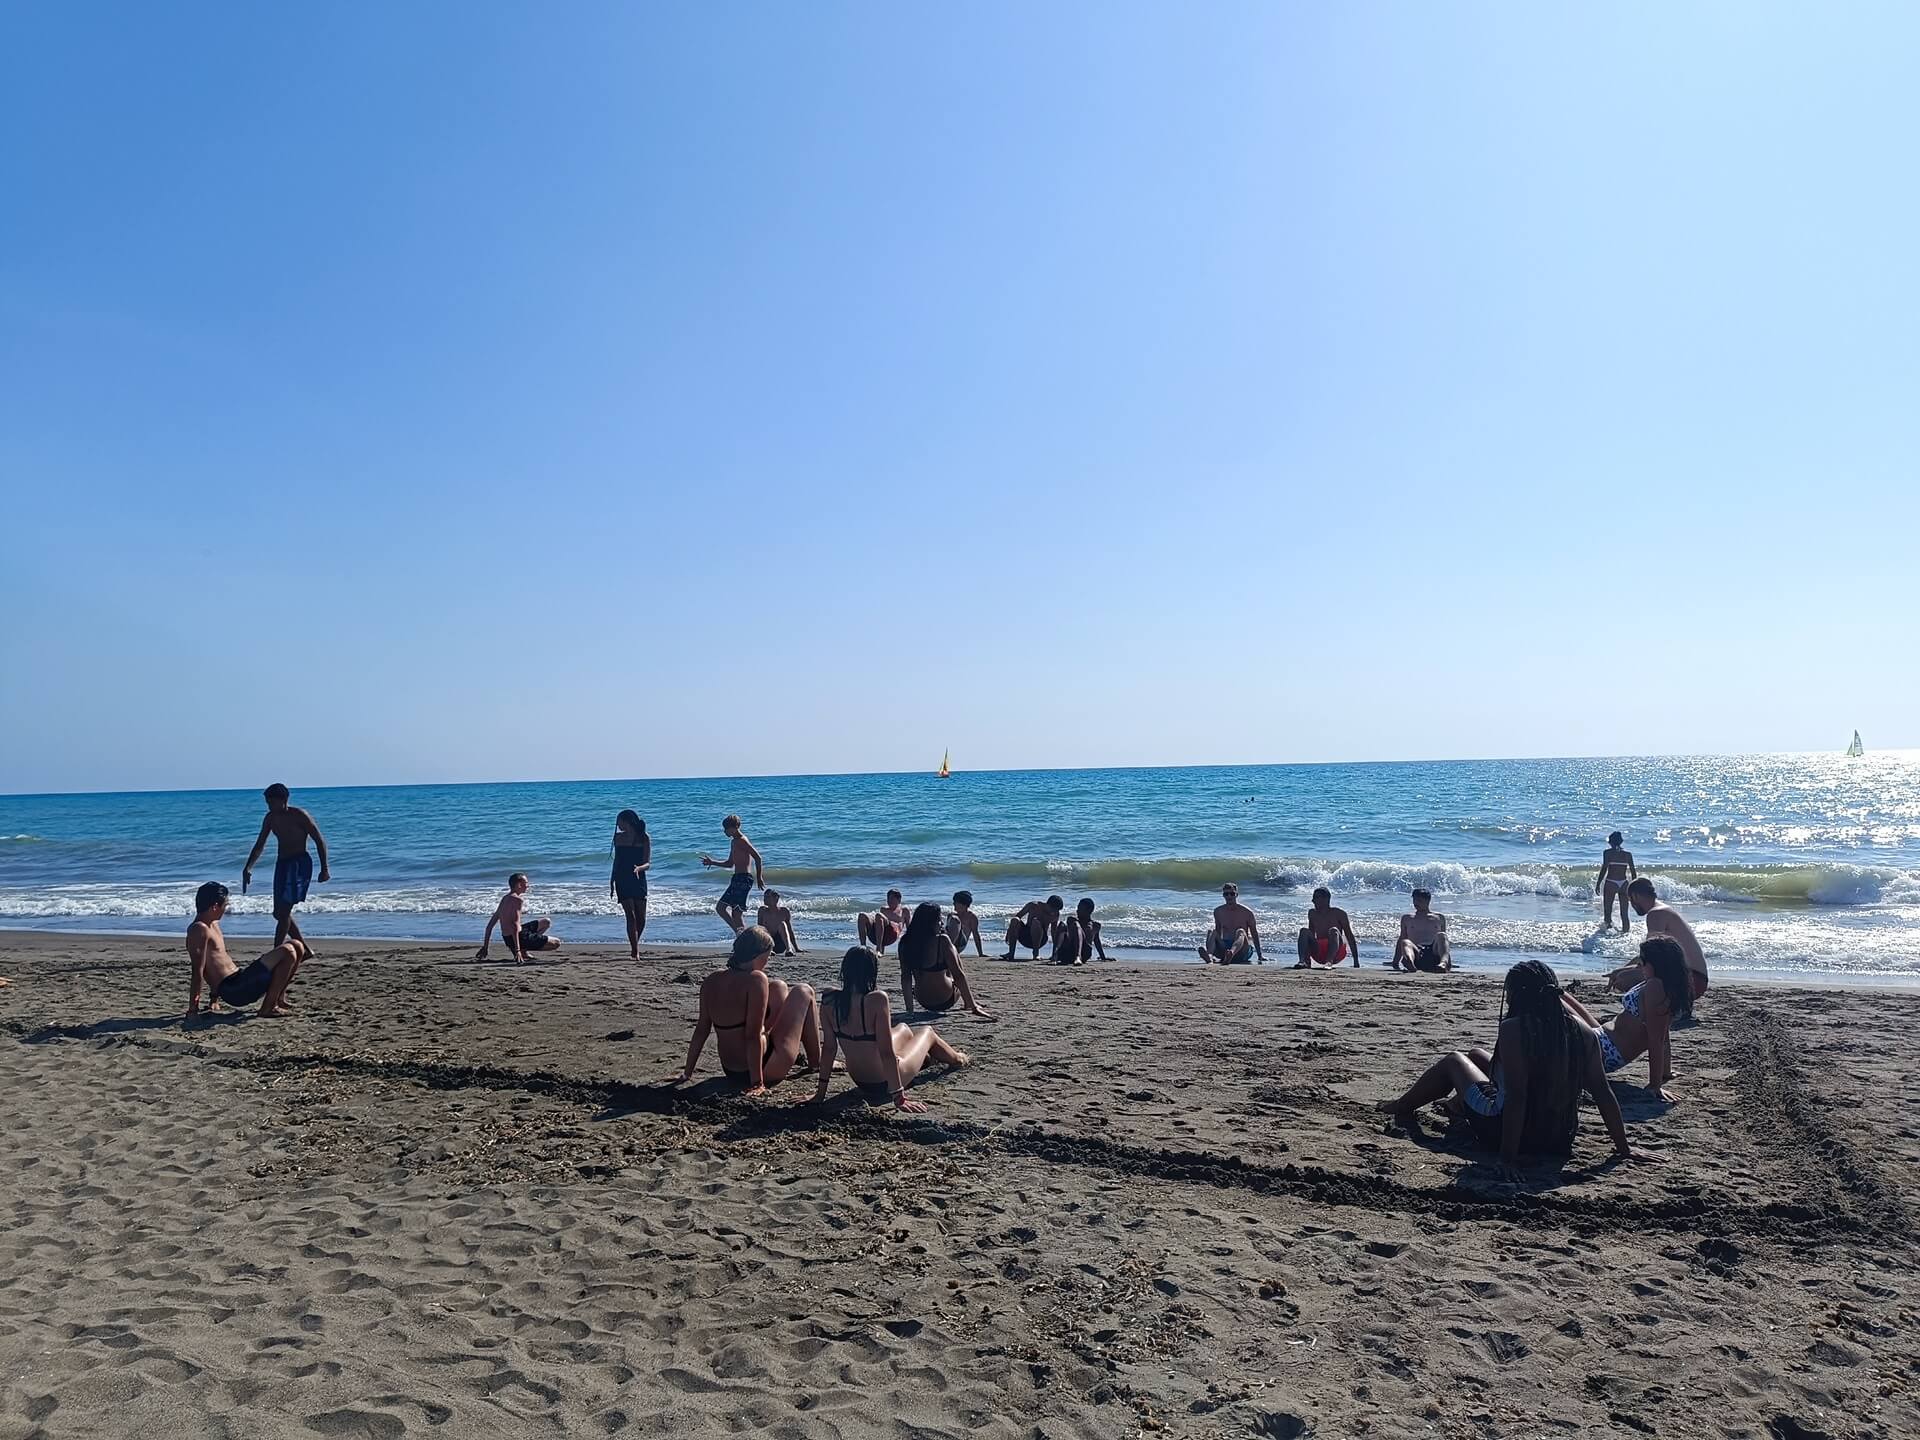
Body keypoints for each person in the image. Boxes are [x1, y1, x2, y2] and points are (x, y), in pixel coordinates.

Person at [1377, 958, 1634, 1177]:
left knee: (1454, 1060)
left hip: (1503, 1131)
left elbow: (1517, 1097)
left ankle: (1401, 1106)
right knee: (1476, 1056)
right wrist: (1624, 1149)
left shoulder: (1515, 1029)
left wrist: (1507, 1159)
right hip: (1557, 1138)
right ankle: (1456, 1106)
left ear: (1518, 994)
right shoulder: (1583, 1031)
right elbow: (1603, 1092)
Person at [811, 946, 971, 1111]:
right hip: (885, 1082)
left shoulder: (830, 999)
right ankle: (958, 1059)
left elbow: (829, 1049)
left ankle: (925, 1059)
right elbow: (886, 1053)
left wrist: (820, 1094)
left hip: (859, 1079)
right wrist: (899, 1098)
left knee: (903, 1028)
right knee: (927, 1032)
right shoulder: (877, 999)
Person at [670, 926, 820, 1094]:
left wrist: (687, 1073)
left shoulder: (711, 980)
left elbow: (701, 1030)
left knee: (779, 987)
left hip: (731, 1070)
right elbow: (752, 1036)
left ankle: (780, 1046)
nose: (766, 963)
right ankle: (816, 1063)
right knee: (804, 991)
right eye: (767, 957)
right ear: (758, 955)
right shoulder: (756, 979)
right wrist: (757, 1083)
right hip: (763, 1066)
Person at [1560, 936, 1689, 1102]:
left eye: (1643, 961)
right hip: (1602, 1038)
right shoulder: (1657, 983)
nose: (1640, 965)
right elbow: (1664, 1034)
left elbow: (1657, 1039)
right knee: (1560, 994)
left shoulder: (1656, 987)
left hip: (1603, 1051)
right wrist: (1666, 1071)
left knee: (1552, 997)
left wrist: (1655, 1085)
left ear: (1657, 963)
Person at [186, 881, 308, 1019]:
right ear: (214, 906)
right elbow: (198, 971)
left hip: (240, 979)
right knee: (287, 951)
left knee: (297, 945)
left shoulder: (213, 924)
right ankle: (268, 1008)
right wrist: (193, 1010)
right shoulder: (199, 930)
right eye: (225, 905)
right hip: (234, 990)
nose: (225, 909)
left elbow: (214, 962)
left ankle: (278, 998)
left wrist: (213, 999)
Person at [242, 783, 330, 950]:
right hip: (282, 864)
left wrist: (324, 869)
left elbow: (319, 841)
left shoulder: (300, 815)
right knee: (278, 913)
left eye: (272, 802)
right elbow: (260, 844)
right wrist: (248, 867)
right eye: (267, 803)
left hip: (299, 864)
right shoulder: (270, 818)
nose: (269, 806)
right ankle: (305, 950)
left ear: (284, 800)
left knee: (283, 913)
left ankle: (276, 951)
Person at [1616, 879, 1709, 1013]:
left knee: (1624, 979)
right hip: (1695, 978)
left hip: (1691, 981)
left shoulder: (1655, 914)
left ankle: (1668, 1005)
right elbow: (1648, 957)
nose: (1631, 905)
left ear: (1635, 896)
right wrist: (1624, 968)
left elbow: (1650, 958)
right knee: (1627, 974)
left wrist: (1622, 972)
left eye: (1630, 900)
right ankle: (1675, 1004)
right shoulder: (1663, 909)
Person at [897, 902, 994, 1017]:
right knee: (953, 950)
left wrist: (910, 1011)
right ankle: (968, 1003)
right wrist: (974, 1007)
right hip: (946, 999)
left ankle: (910, 1009)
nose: (942, 924)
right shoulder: (942, 940)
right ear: (931, 923)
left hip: (923, 1000)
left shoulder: (905, 942)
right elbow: (958, 975)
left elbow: (906, 978)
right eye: (939, 920)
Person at [699, 814, 764, 934]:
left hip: (744, 879)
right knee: (726, 910)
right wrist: (712, 862)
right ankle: (741, 936)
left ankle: (741, 936)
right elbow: (730, 864)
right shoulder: (734, 842)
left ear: (735, 828)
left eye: (726, 829)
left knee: (732, 912)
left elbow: (757, 857)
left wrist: (759, 877)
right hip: (737, 878)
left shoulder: (742, 840)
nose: (724, 832)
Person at [478, 873, 559, 963]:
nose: (528, 886)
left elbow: (489, 926)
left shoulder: (505, 898)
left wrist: (485, 947)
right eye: (526, 883)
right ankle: (523, 949)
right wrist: (518, 950)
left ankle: (524, 948)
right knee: (556, 943)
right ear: (519, 885)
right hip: (519, 937)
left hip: (508, 939)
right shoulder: (517, 900)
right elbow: (515, 925)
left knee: (546, 921)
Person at [610, 810, 651, 959]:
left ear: (627, 821)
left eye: (619, 822)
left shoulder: (643, 837)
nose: (617, 825)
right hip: (622, 878)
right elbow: (616, 861)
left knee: (642, 919)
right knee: (631, 916)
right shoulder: (618, 838)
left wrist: (639, 868)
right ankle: (635, 951)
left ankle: (635, 945)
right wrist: (612, 881)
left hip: (638, 878)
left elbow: (647, 863)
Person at [1389, 888, 1451, 972]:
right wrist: (1395, 961)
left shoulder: (1439, 917)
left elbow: (1444, 944)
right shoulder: (1407, 918)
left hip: (1434, 954)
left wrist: (1449, 962)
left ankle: (1443, 963)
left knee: (1442, 935)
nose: (1416, 903)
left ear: (1428, 901)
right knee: (1405, 941)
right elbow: (1401, 939)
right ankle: (1410, 963)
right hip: (1416, 953)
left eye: (1419, 900)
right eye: (1414, 900)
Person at [1199, 883, 1263, 964]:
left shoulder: (1247, 912)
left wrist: (1260, 955)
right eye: (1226, 894)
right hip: (1225, 948)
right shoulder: (1218, 911)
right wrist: (1215, 947)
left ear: (1236, 895)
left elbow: (1254, 934)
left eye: (1232, 894)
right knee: (1212, 931)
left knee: (1240, 931)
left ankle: (1231, 953)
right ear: (1223, 895)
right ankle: (1209, 956)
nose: (1229, 896)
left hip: (1242, 950)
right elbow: (1218, 932)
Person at [1296, 887, 1359, 968]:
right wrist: (1307, 956)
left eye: (1316, 898)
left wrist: (1356, 961)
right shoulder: (1312, 913)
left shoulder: (1339, 914)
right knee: (1304, 931)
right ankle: (1303, 961)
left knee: (1333, 930)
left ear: (1326, 899)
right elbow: (1311, 936)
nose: (1313, 901)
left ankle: (1329, 962)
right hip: (1319, 953)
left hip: (1337, 953)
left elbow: (1350, 937)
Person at [1595, 832, 1638, 932]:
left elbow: (1604, 869)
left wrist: (1598, 883)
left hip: (1611, 882)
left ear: (1611, 842)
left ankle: (1608, 934)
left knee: (1608, 911)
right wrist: (1634, 887)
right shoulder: (1628, 854)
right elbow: (1633, 872)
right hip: (1624, 884)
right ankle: (1626, 934)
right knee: (1624, 913)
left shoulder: (1607, 853)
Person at [1002, 895, 1065, 960]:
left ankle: (1036, 954)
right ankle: (1011, 953)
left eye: (1056, 910)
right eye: (1053, 909)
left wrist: (1055, 953)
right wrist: (1009, 932)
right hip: (1025, 936)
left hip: (1041, 940)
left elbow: (1053, 932)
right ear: (1048, 905)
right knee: (1015, 920)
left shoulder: (1055, 914)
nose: (1054, 912)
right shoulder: (1033, 905)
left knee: (1036, 922)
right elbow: (1018, 916)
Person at [1053, 898, 1110, 964]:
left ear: (1089, 911)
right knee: (1062, 925)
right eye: (1078, 908)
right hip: (1068, 952)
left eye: (1080, 909)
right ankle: (1054, 956)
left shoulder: (1095, 925)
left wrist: (1103, 957)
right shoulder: (1072, 920)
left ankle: (1078, 956)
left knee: (1076, 925)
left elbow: (1097, 941)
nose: (1077, 911)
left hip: (1084, 954)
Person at [857, 889, 911, 954]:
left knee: (878, 915)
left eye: (892, 899)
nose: (889, 901)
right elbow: (880, 925)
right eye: (888, 899)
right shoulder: (884, 909)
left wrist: (909, 946)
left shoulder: (904, 910)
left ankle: (878, 949)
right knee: (862, 915)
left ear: (899, 900)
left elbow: (909, 929)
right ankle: (863, 948)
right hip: (876, 935)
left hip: (892, 934)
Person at [757, 889, 803, 955]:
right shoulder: (762, 910)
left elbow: (789, 931)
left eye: (768, 897)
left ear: (776, 898)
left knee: (782, 924)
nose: (765, 899)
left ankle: (789, 949)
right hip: (767, 944)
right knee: (762, 928)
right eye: (764, 897)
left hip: (780, 944)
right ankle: (769, 950)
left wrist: (796, 948)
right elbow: (759, 930)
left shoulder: (784, 911)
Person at [944, 890, 987, 957]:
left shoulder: (971, 917)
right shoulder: (951, 915)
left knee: (955, 920)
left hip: (960, 944)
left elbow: (976, 935)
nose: (953, 904)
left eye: (955, 902)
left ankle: (946, 948)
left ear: (963, 904)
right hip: (949, 943)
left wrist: (980, 953)